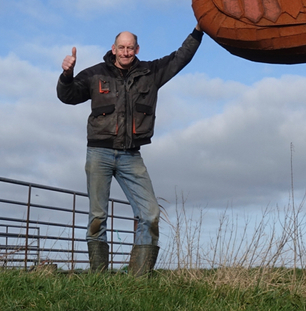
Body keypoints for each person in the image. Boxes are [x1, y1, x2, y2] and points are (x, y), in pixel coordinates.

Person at [57, 26, 203, 276]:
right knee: (97, 217)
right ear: (114, 49)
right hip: (99, 153)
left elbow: (181, 58)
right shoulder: (95, 74)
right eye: (121, 48)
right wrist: (66, 75)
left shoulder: (151, 73)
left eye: (130, 48)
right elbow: (67, 96)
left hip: (131, 155)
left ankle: (139, 278)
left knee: (150, 213)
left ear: (137, 50)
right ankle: (98, 278)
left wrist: (198, 31)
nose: (125, 52)